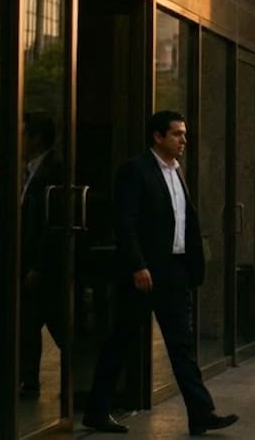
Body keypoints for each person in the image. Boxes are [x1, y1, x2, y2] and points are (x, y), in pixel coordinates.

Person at [84, 111, 238, 435]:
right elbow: (125, 223)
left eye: (184, 134)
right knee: (120, 341)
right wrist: (138, 265)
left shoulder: (177, 172)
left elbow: (183, 221)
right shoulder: (135, 171)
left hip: (175, 271)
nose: (184, 140)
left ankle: (201, 413)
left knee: (182, 346)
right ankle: (97, 410)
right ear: (158, 136)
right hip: (145, 273)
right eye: (177, 134)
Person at [18, 112, 65, 398]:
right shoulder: (32, 168)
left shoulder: (52, 170)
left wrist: (38, 264)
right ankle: (28, 380)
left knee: (52, 319)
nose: (20, 140)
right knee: (30, 322)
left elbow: (53, 222)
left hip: (42, 263)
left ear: (36, 137)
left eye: (24, 134)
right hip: (31, 261)